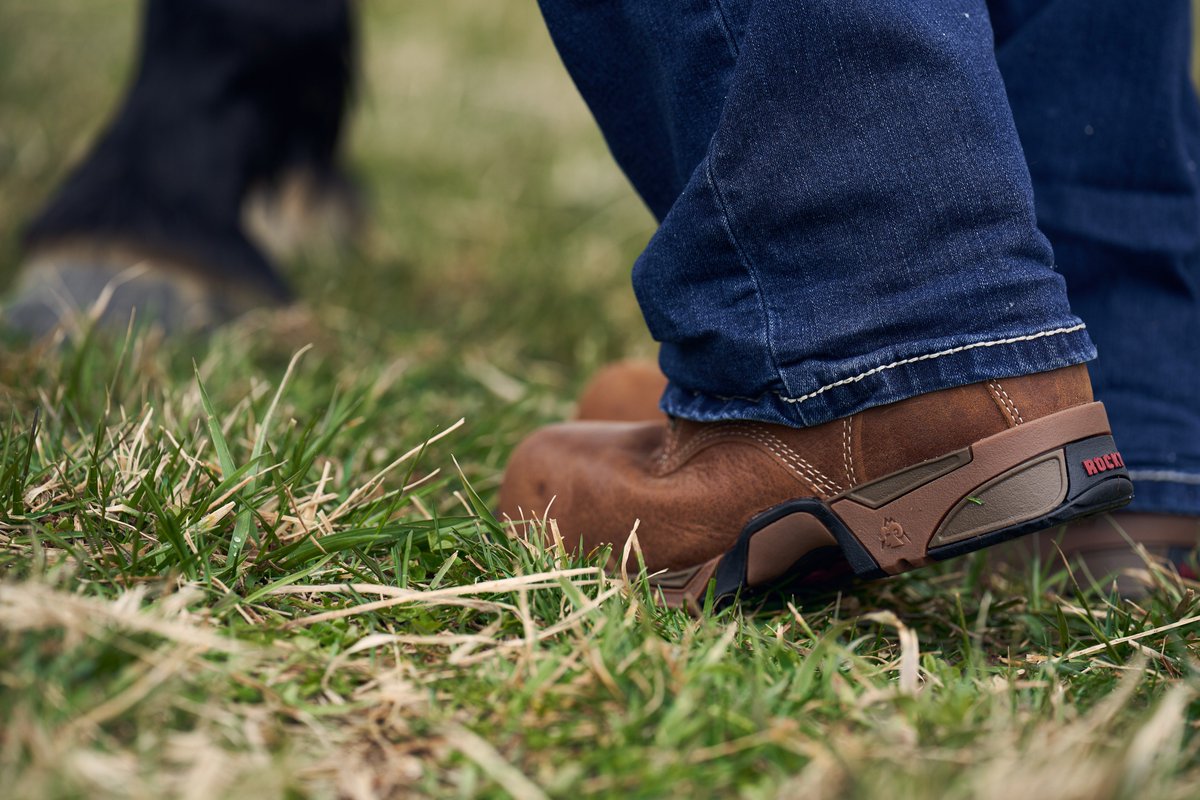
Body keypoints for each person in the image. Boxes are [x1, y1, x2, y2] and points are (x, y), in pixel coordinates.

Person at [498, 0, 1200, 607]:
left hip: (874, 360)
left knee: (892, 335)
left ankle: (874, 340)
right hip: (1103, 390)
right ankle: (1116, 398)